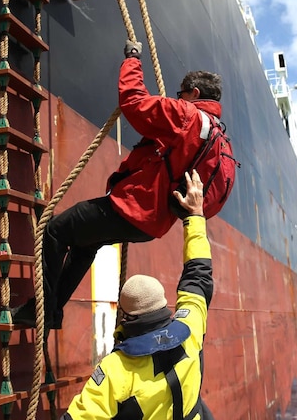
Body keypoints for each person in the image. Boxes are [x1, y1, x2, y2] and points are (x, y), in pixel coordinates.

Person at [12, 39, 225, 330]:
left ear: (195, 93)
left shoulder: (187, 115)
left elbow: (134, 102)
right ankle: (52, 311)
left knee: (54, 230)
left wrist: (133, 59)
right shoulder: (215, 133)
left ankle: (43, 311)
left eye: (182, 94)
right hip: (152, 222)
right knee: (84, 245)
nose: (178, 98)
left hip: (133, 208)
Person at [59, 169, 214, 419]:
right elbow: (198, 275)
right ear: (163, 306)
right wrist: (195, 215)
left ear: (126, 317)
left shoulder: (117, 370)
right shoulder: (191, 329)